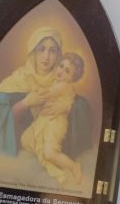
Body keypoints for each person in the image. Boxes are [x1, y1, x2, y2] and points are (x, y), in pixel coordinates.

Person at [0, 27, 91, 159]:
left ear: (58, 54)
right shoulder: (17, 80)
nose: (46, 57)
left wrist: (68, 108)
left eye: (52, 51)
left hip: (46, 158)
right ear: (33, 52)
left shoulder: (62, 81)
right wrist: (25, 103)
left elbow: (82, 108)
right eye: (41, 49)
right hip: (17, 157)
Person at [21, 52, 84, 185]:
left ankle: (73, 167)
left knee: (49, 153)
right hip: (45, 120)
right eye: (61, 66)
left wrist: (32, 82)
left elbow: (44, 94)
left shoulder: (63, 86)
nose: (61, 71)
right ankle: (53, 165)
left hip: (55, 124)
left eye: (67, 71)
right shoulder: (57, 82)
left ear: (72, 78)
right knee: (26, 139)